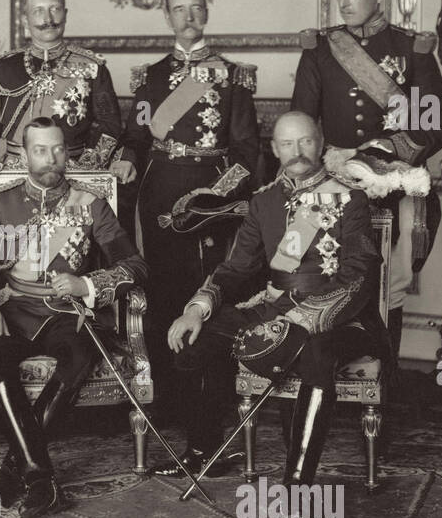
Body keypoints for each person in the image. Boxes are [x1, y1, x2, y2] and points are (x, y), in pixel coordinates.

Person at [164, 112, 384, 488]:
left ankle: (298, 484)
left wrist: (306, 318)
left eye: (305, 141)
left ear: (321, 140)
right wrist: (197, 309)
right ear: (274, 148)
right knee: (194, 342)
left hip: (343, 318)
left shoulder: (350, 199)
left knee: (318, 353)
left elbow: (360, 273)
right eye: (287, 144)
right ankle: (205, 451)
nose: (297, 152)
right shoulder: (263, 203)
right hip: (275, 306)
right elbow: (235, 269)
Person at [0, 118, 147, 517]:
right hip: (13, 307)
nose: (52, 158)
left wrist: (87, 284)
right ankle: (40, 478)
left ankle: (14, 467)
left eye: (58, 149)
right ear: (23, 154)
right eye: (41, 150)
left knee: (79, 358)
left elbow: (135, 265)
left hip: (65, 312)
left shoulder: (90, 203)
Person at [290, 0, 442, 362]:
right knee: (327, 280)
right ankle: (328, 379)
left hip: (394, 188)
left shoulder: (413, 48)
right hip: (333, 190)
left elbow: (435, 126)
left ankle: (383, 381)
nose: (344, 2)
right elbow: (303, 126)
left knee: (388, 287)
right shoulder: (320, 49)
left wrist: (377, 154)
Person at [122, 0, 260, 423]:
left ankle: (211, 403)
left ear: (206, 13)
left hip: (211, 196)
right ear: (167, 17)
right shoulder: (151, 76)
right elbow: (136, 137)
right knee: (162, 292)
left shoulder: (233, 76)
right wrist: (125, 159)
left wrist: (218, 197)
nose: (188, 17)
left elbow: (245, 149)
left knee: (207, 294)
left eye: (195, 9)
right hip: (160, 193)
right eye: (178, 10)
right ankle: (168, 399)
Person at [0, 0, 132, 184]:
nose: (48, 19)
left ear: (66, 14)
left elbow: (110, 127)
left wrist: (86, 168)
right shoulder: (3, 68)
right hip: (12, 176)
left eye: (55, 9)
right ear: (25, 21)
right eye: (38, 11)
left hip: (71, 175)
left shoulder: (92, 68)